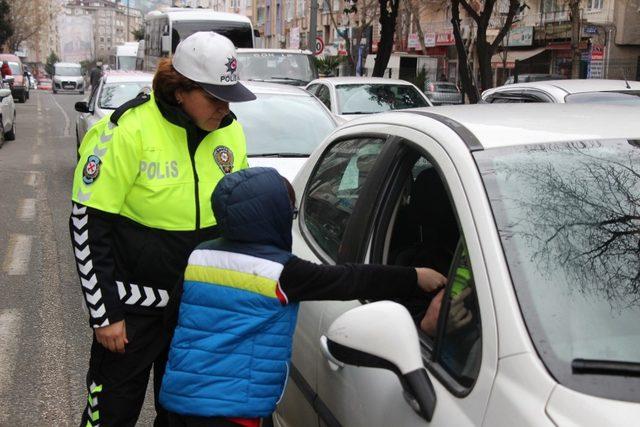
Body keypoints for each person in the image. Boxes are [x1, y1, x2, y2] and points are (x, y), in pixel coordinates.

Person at [159, 167, 448, 426]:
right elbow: (350, 279)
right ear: (273, 217)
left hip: (181, 398)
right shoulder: (281, 272)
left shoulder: (200, 255)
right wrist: (414, 277)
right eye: (291, 212)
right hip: (232, 408)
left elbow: (172, 322)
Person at [69, 31, 256, 427]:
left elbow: (238, 223)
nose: (224, 108)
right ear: (179, 91)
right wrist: (104, 314)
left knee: (186, 420)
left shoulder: (230, 131)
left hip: (196, 313)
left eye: (229, 97)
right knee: (110, 418)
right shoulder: (125, 131)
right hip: (131, 314)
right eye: (214, 97)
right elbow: (87, 224)